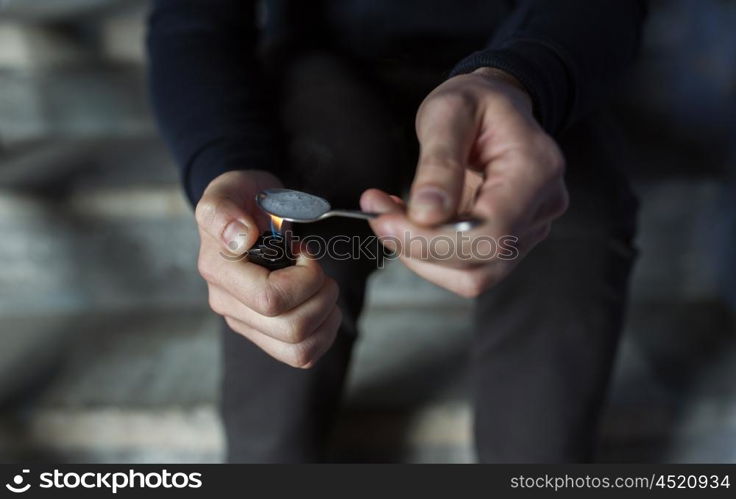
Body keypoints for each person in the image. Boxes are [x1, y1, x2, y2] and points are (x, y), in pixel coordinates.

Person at [147, 0, 646, 462]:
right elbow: (193, 18)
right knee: (282, 232)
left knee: (566, 217)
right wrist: (229, 165)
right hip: (329, 60)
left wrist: (520, 79)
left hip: (537, 59)